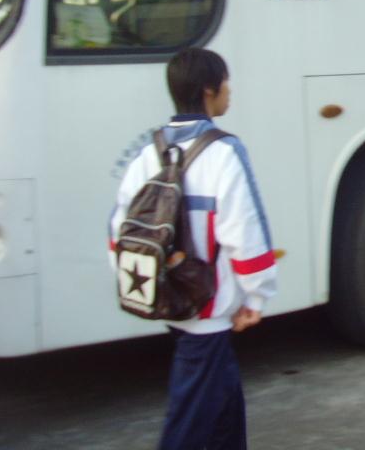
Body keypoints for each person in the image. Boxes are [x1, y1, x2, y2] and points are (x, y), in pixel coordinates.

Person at [109, 48, 277, 449]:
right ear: (208, 90)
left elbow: (119, 232)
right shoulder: (223, 152)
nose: (230, 91)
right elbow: (244, 231)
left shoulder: (147, 154)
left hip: (171, 296)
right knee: (188, 423)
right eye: (226, 82)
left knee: (224, 406)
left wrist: (153, 286)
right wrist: (255, 295)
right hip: (206, 307)